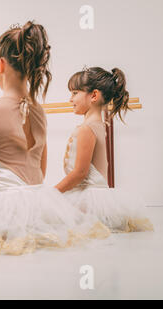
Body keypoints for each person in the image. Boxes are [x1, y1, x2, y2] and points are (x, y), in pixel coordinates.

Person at [0, 22, 110, 256]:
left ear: (0, 65)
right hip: (37, 200)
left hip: (4, 202)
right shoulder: (39, 112)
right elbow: (41, 168)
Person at [55, 66, 153, 232]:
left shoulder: (87, 128)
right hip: (91, 195)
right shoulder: (97, 124)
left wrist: (54, 193)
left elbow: (80, 173)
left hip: (88, 198)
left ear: (93, 95)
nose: (70, 99)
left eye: (74, 93)